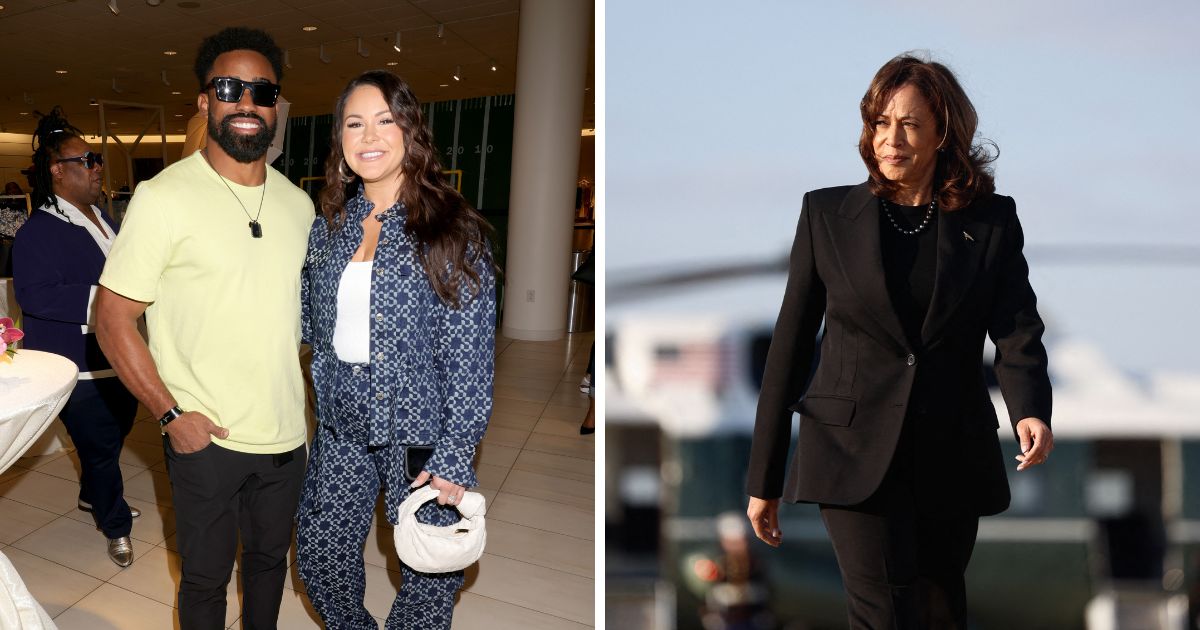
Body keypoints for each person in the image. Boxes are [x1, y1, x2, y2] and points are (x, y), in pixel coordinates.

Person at [744, 53, 1054, 629]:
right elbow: (788, 347)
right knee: (884, 612)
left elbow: (1016, 324)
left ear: (943, 133)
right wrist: (763, 477)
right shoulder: (826, 214)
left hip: (950, 450)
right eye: (880, 123)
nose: (891, 139)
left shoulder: (990, 221)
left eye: (909, 124)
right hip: (851, 451)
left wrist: (1030, 408)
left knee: (939, 610)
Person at [95, 27, 311, 628]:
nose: (246, 102)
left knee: (269, 567)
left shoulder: (300, 205)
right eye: (229, 88)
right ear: (204, 102)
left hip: (286, 435)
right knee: (206, 580)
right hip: (205, 439)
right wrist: (169, 415)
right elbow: (112, 318)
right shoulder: (164, 197)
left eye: (261, 91)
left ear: (275, 105)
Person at [294, 70, 496, 629]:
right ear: (340, 139)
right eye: (354, 124)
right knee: (320, 558)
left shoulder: (450, 228)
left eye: (385, 120)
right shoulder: (330, 226)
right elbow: (313, 325)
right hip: (341, 425)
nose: (370, 136)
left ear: (411, 130)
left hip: (419, 434)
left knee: (430, 574)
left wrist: (455, 455)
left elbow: (470, 359)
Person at [11, 107, 142, 567]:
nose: (97, 166)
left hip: (119, 357)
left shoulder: (104, 219)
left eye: (97, 158)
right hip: (77, 363)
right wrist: (108, 299)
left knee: (117, 432)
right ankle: (116, 524)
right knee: (102, 447)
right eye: (87, 159)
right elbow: (37, 295)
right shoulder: (36, 232)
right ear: (57, 171)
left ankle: (93, 497)